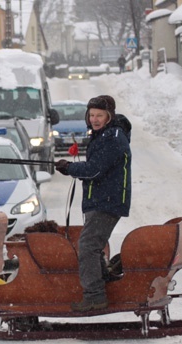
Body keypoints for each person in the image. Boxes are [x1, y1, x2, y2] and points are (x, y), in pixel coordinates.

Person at [54, 95, 132, 312]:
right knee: (92, 245)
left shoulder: (113, 137)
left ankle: (95, 296)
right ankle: (104, 280)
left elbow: (95, 169)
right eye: (91, 115)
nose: (95, 119)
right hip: (99, 200)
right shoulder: (103, 134)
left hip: (107, 201)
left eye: (99, 115)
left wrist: (69, 168)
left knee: (87, 246)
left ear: (109, 116)